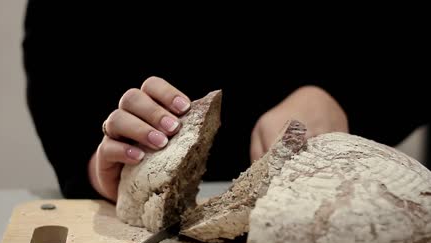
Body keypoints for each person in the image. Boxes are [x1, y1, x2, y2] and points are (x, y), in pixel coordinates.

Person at [22, 2, 429, 202]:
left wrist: (341, 97)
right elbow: (59, 68)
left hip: (332, 193)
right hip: (144, 192)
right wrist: (97, 167)